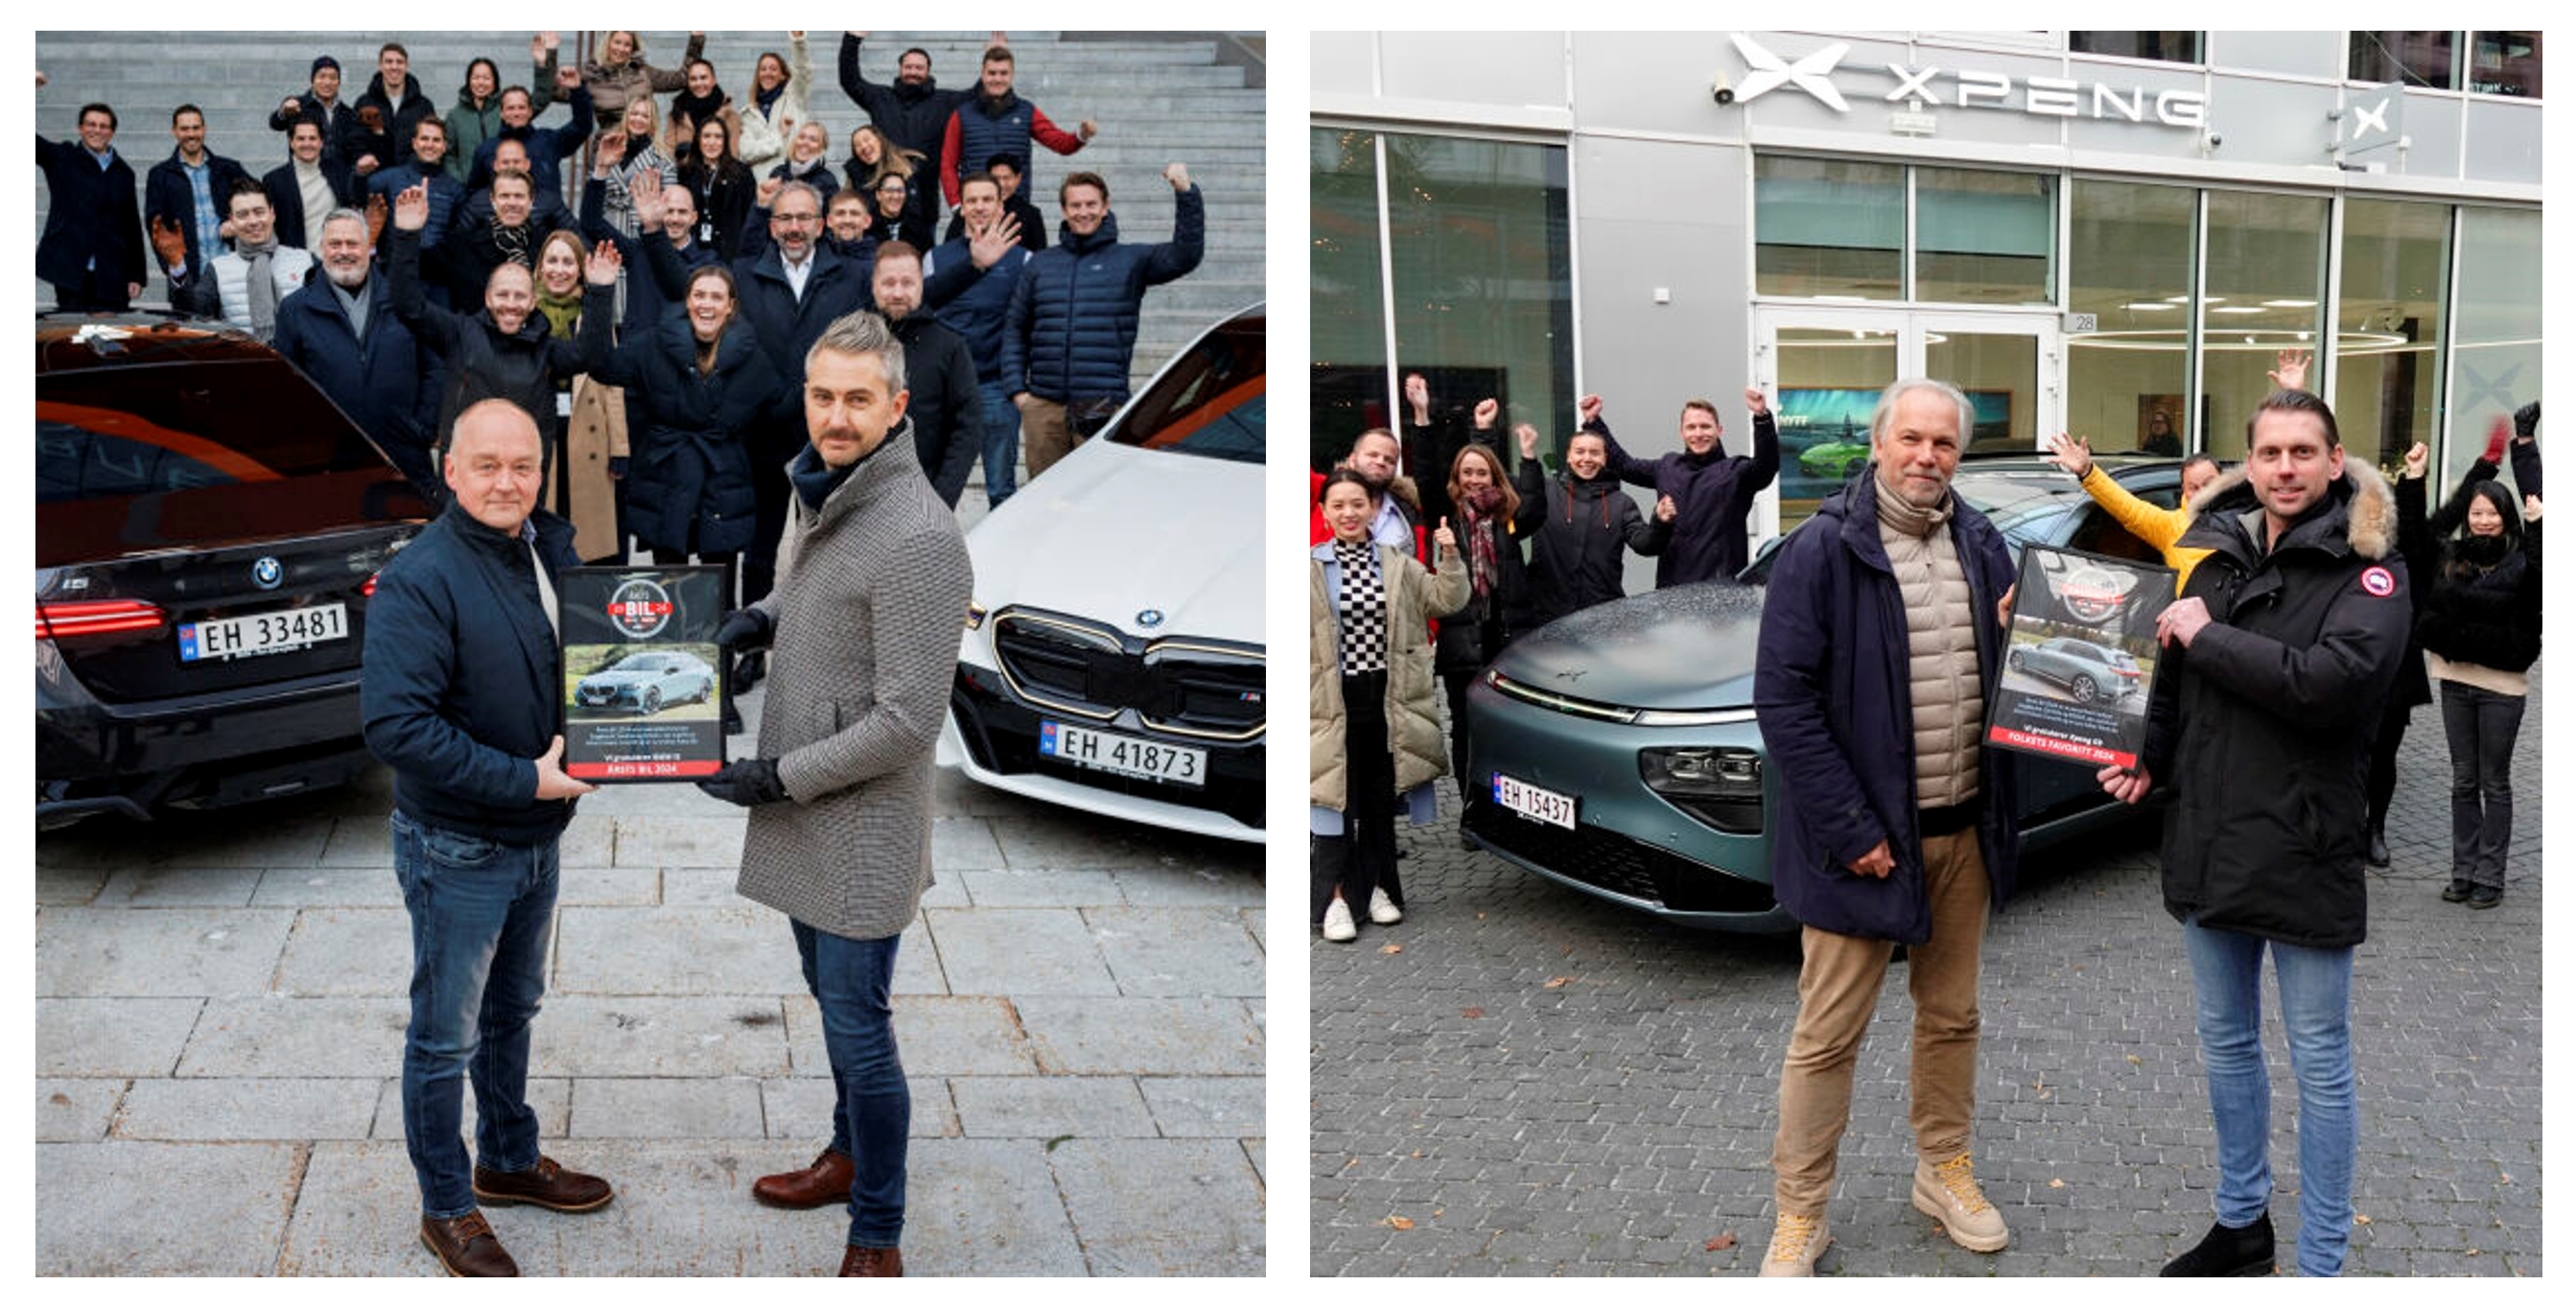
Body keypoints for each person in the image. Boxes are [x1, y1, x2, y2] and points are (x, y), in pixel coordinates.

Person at [2096, 388, 2409, 1278]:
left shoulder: (2370, 565)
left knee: (2320, 1060)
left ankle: (2319, 1264)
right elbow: (2169, 670)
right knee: (2226, 1043)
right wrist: (2148, 755)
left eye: (2303, 452)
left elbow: (2335, 685)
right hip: (2211, 832)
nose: (2284, 469)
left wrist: (2207, 637)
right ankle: (2242, 1226)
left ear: (2336, 459)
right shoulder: (2215, 547)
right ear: (2249, 460)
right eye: (2269, 452)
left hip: (2306, 845)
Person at [698, 309, 973, 1278]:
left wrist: (775, 777)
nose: (837, 415)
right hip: (808, 815)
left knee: (860, 1031)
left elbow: (908, 722)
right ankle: (845, 1155)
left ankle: (878, 1232)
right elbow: (818, 595)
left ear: (898, 407)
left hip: (859, 827)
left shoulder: (920, 537)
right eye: (823, 395)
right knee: (830, 1003)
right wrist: (758, 617)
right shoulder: (817, 489)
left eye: (859, 399)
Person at [1752, 378, 2023, 1277]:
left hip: (1962, 833)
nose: (1926, 457)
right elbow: (1784, 703)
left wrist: (2026, 638)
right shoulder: (1823, 550)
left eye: (1944, 444)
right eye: (1911, 438)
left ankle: (1941, 1168)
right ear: (1879, 443)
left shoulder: (1986, 546)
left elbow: (2016, 684)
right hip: (1861, 845)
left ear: (1960, 453)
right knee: (1827, 1035)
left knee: (1951, 1018)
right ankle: (1801, 1214)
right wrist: (1850, 826)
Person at [360, 397, 608, 1278]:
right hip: (458, 845)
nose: (509, 482)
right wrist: (522, 778)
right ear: (450, 469)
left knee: (514, 1009)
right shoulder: (420, 577)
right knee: (443, 1033)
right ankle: (447, 1203)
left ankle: (506, 1157)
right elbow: (396, 725)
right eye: (489, 465)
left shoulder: (546, 547)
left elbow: (584, 666)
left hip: (540, 831)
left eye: (524, 466)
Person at [1310, 470, 1467, 942]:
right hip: (1330, 704)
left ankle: (1380, 888)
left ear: (1373, 509)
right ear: (1324, 512)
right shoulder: (1308, 568)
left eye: (1358, 503)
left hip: (1386, 699)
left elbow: (1447, 599)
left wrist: (1450, 554)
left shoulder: (1396, 563)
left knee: (1378, 801)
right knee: (1334, 800)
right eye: (1338, 505)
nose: (1349, 513)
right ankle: (1334, 899)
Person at [2397, 429, 2541, 908]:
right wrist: (2414, 478)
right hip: (2455, 679)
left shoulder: (2523, 561)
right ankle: (2462, 870)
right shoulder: (2450, 557)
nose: (2482, 520)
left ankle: (2491, 875)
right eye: (2475, 513)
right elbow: (2414, 538)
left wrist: (2539, 527)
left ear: (2506, 517)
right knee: (2463, 779)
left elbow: (2544, 588)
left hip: (2502, 686)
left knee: (2494, 781)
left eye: (2491, 513)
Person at [999, 165, 1204, 478]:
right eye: (1076, 205)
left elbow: (1185, 255)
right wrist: (1018, 392)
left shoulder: (1131, 260)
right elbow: (1015, 328)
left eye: (1091, 204)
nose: (1084, 212)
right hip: (1043, 408)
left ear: (1105, 206)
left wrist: (1186, 193)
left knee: (1097, 501)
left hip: (1103, 407)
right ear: (1064, 210)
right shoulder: (1040, 264)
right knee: (1043, 503)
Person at [386, 180, 584, 480]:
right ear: (487, 298)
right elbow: (408, 305)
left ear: (533, 302)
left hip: (520, 483)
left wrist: (601, 291)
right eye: (503, 295)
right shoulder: (458, 333)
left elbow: (590, 357)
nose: (511, 304)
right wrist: (407, 234)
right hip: (467, 481)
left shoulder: (546, 344)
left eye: (520, 297)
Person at [271, 206, 443, 491]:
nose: (344, 251)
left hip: (405, 456)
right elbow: (288, 390)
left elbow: (434, 367)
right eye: (334, 244)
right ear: (321, 248)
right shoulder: (295, 310)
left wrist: (422, 428)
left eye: (352, 243)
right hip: (332, 464)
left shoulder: (406, 300)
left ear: (368, 247)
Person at [1584, 386, 1781, 587]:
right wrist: (1594, 422)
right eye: (1691, 427)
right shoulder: (1667, 467)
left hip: (1724, 590)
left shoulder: (1736, 470)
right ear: (1681, 432)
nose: (1698, 433)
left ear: (1719, 430)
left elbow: (1766, 467)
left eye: (1705, 426)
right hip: (1673, 590)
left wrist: (1762, 417)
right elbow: (1624, 465)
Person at [922, 172, 1032, 506]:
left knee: (1001, 488)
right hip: (946, 389)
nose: (980, 207)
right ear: (961, 208)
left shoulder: (1024, 260)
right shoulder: (936, 258)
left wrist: (1020, 384)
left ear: (1001, 205)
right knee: (937, 489)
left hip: (996, 386)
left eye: (987, 199)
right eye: (972, 200)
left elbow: (1029, 325)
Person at [1433, 442, 1534, 806]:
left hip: (1504, 641)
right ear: (1456, 478)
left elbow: (1537, 504)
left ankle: (1504, 808)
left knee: (1506, 730)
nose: (1474, 479)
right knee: (1464, 730)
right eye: (1467, 472)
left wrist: (1528, 457)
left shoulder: (1508, 517)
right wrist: (1424, 419)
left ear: (1494, 476)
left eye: (1481, 472)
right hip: (1462, 643)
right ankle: (1470, 808)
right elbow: (1429, 471)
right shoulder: (1447, 516)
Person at [1510, 422, 1671, 626]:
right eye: (1580, 451)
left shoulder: (1621, 503)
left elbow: (1645, 544)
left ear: (1605, 458)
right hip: (1546, 617)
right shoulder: (1544, 493)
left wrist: (1661, 521)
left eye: (1595, 453)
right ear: (1568, 456)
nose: (1587, 458)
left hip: (1604, 620)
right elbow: (1491, 476)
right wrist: (1523, 450)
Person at [868, 242, 980, 506]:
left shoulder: (950, 347)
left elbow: (967, 427)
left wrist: (940, 500)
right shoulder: (853, 343)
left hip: (923, 499)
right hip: (857, 501)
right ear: (873, 284)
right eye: (888, 283)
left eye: (908, 283)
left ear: (922, 284)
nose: (898, 292)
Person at [937, 44, 1095, 206]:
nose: (997, 79)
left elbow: (1060, 143)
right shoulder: (961, 114)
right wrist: (956, 204)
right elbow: (947, 164)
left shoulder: (1026, 111)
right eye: (992, 73)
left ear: (1012, 75)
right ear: (983, 75)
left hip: (1017, 208)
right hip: (976, 209)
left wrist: (1081, 134)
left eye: (1003, 73)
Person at [38, 101, 146, 312]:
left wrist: (136, 275)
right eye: (91, 124)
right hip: (71, 272)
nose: (97, 130)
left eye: (103, 126)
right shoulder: (63, 158)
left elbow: (132, 226)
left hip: (113, 274)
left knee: (112, 340)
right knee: (75, 340)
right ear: (80, 128)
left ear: (112, 132)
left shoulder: (124, 172)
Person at [143, 104, 250, 314]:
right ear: (174, 131)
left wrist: (238, 223)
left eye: (195, 127)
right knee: (193, 342)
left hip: (231, 272)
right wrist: (174, 269)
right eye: (184, 129)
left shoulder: (229, 168)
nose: (191, 134)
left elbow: (257, 201)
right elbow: (155, 227)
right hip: (189, 275)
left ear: (204, 129)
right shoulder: (160, 174)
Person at [198, 179, 314, 341]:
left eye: (259, 212)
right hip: (245, 362)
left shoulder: (306, 261)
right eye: (242, 215)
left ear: (272, 214)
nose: (253, 222)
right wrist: (177, 266)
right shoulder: (217, 269)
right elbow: (194, 314)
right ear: (231, 220)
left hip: (298, 363)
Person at [433, 172, 568, 309]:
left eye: (519, 196)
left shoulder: (549, 247)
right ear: (493, 200)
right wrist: (411, 230)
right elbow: (418, 270)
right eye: (504, 196)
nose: (512, 203)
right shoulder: (461, 244)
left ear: (531, 200)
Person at [837, 31, 972, 166]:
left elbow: (975, 95)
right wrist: (852, 40)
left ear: (928, 71)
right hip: (885, 182)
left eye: (919, 68)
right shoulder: (880, 98)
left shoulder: (944, 101)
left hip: (925, 184)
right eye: (908, 67)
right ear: (900, 69)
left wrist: (993, 56)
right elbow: (850, 81)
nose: (913, 72)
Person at [445, 42, 566, 189]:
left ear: (495, 82)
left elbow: (541, 98)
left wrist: (542, 65)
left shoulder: (509, 111)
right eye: (476, 78)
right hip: (472, 190)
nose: (481, 83)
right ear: (468, 81)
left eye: (486, 78)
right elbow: (449, 155)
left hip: (508, 187)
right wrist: (461, 180)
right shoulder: (455, 116)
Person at [468, 74, 593, 203]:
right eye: (511, 108)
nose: (516, 113)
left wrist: (577, 90)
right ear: (502, 113)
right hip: (503, 220)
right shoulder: (486, 149)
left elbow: (582, 126)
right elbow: (474, 193)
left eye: (521, 107)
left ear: (530, 112)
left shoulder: (548, 140)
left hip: (547, 220)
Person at [365, 117, 465, 256]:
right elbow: (358, 195)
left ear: (444, 146)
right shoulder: (390, 178)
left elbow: (457, 234)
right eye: (424, 138)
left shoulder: (454, 188)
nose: (430, 145)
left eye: (436, 140)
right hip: (395, 266)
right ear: (414, 143)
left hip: (437, 270)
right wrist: (358, 174)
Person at [581, 30, 705, 134]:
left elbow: (682, 79)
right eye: (617, 42)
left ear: (633, 49)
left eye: (627, 45)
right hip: (607, 150)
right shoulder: (593, 76)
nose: (621, 49)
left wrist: (696, 40)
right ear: (607, 44)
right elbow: (563, 93)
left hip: (642, 151)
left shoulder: (643, 72)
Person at [262, 119, 359, 251]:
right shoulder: (274, 180)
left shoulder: (340, 172)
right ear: (291, 142)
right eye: (301, 138)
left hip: (334, 257)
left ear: (321, 142)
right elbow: (270, 226)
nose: (307, 144)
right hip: (294, 260)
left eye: (312, 138)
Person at [347, 43, 434, 175]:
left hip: (412, 181)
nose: (394, 67)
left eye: (399, 62)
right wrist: (363, 156)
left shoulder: (423, 105)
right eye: (388, 62)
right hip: (375, 180)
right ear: (380, 66)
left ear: (406, 66)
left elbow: (431, 142)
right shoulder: (364, 103)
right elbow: (355, 139)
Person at [679, 115, 757, 261]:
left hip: (730, 254)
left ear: (725, 141)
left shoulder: (741, 173)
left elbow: (750, 216)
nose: (712, 143)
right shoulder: (685, 173)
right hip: (693, 253)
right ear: (698, 140)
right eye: (706, 136)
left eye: (718, 137)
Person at [733, 35, 812, 174]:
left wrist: (798, 41)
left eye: (773, 69)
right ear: (758, 75)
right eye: (763, 69)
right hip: (760, 188)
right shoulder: (747, 114)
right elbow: (746, 153)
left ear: (783, 75)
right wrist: (779, 136)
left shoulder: (794, 99)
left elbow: (803, 71)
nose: (767, 73)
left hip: (790, 183)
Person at [940, 151, 1046, 252]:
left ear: (1018, 178)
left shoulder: (1031, 214)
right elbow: (948, 249)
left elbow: (1039, 256)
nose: (1001, 184)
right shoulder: (970, 210)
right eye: (996, 178)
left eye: (1007, 178)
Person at [845, 125, 935, 243]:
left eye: (866, 139)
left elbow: (928, 206)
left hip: (913, 238)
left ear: (879, 139)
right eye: (857, 145)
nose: (863, 146)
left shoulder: (912, 165)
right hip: (873, 242)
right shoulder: (856, 175)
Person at [269, 56, 357, 164]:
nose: (327, 82)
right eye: (322, 77)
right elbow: (275, 123)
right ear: (312, 80)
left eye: (333, 78)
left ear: (338, 82)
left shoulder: (348, 113)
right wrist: (283, 112)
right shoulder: (297, 105)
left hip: (339, 176)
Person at [770, 120, 842, 202]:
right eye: (801, 137)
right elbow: (764, 210)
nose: (805, 142)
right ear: (795, 141)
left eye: (813, 140)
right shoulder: (778, 173)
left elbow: (834, 214)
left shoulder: (828, 180)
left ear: (822, 149)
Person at [865, 171, 932, 252]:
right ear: (878, 195)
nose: (895, 196)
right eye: (889, 190)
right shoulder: (866, 226)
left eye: (900, 190)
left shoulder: (918, 228)